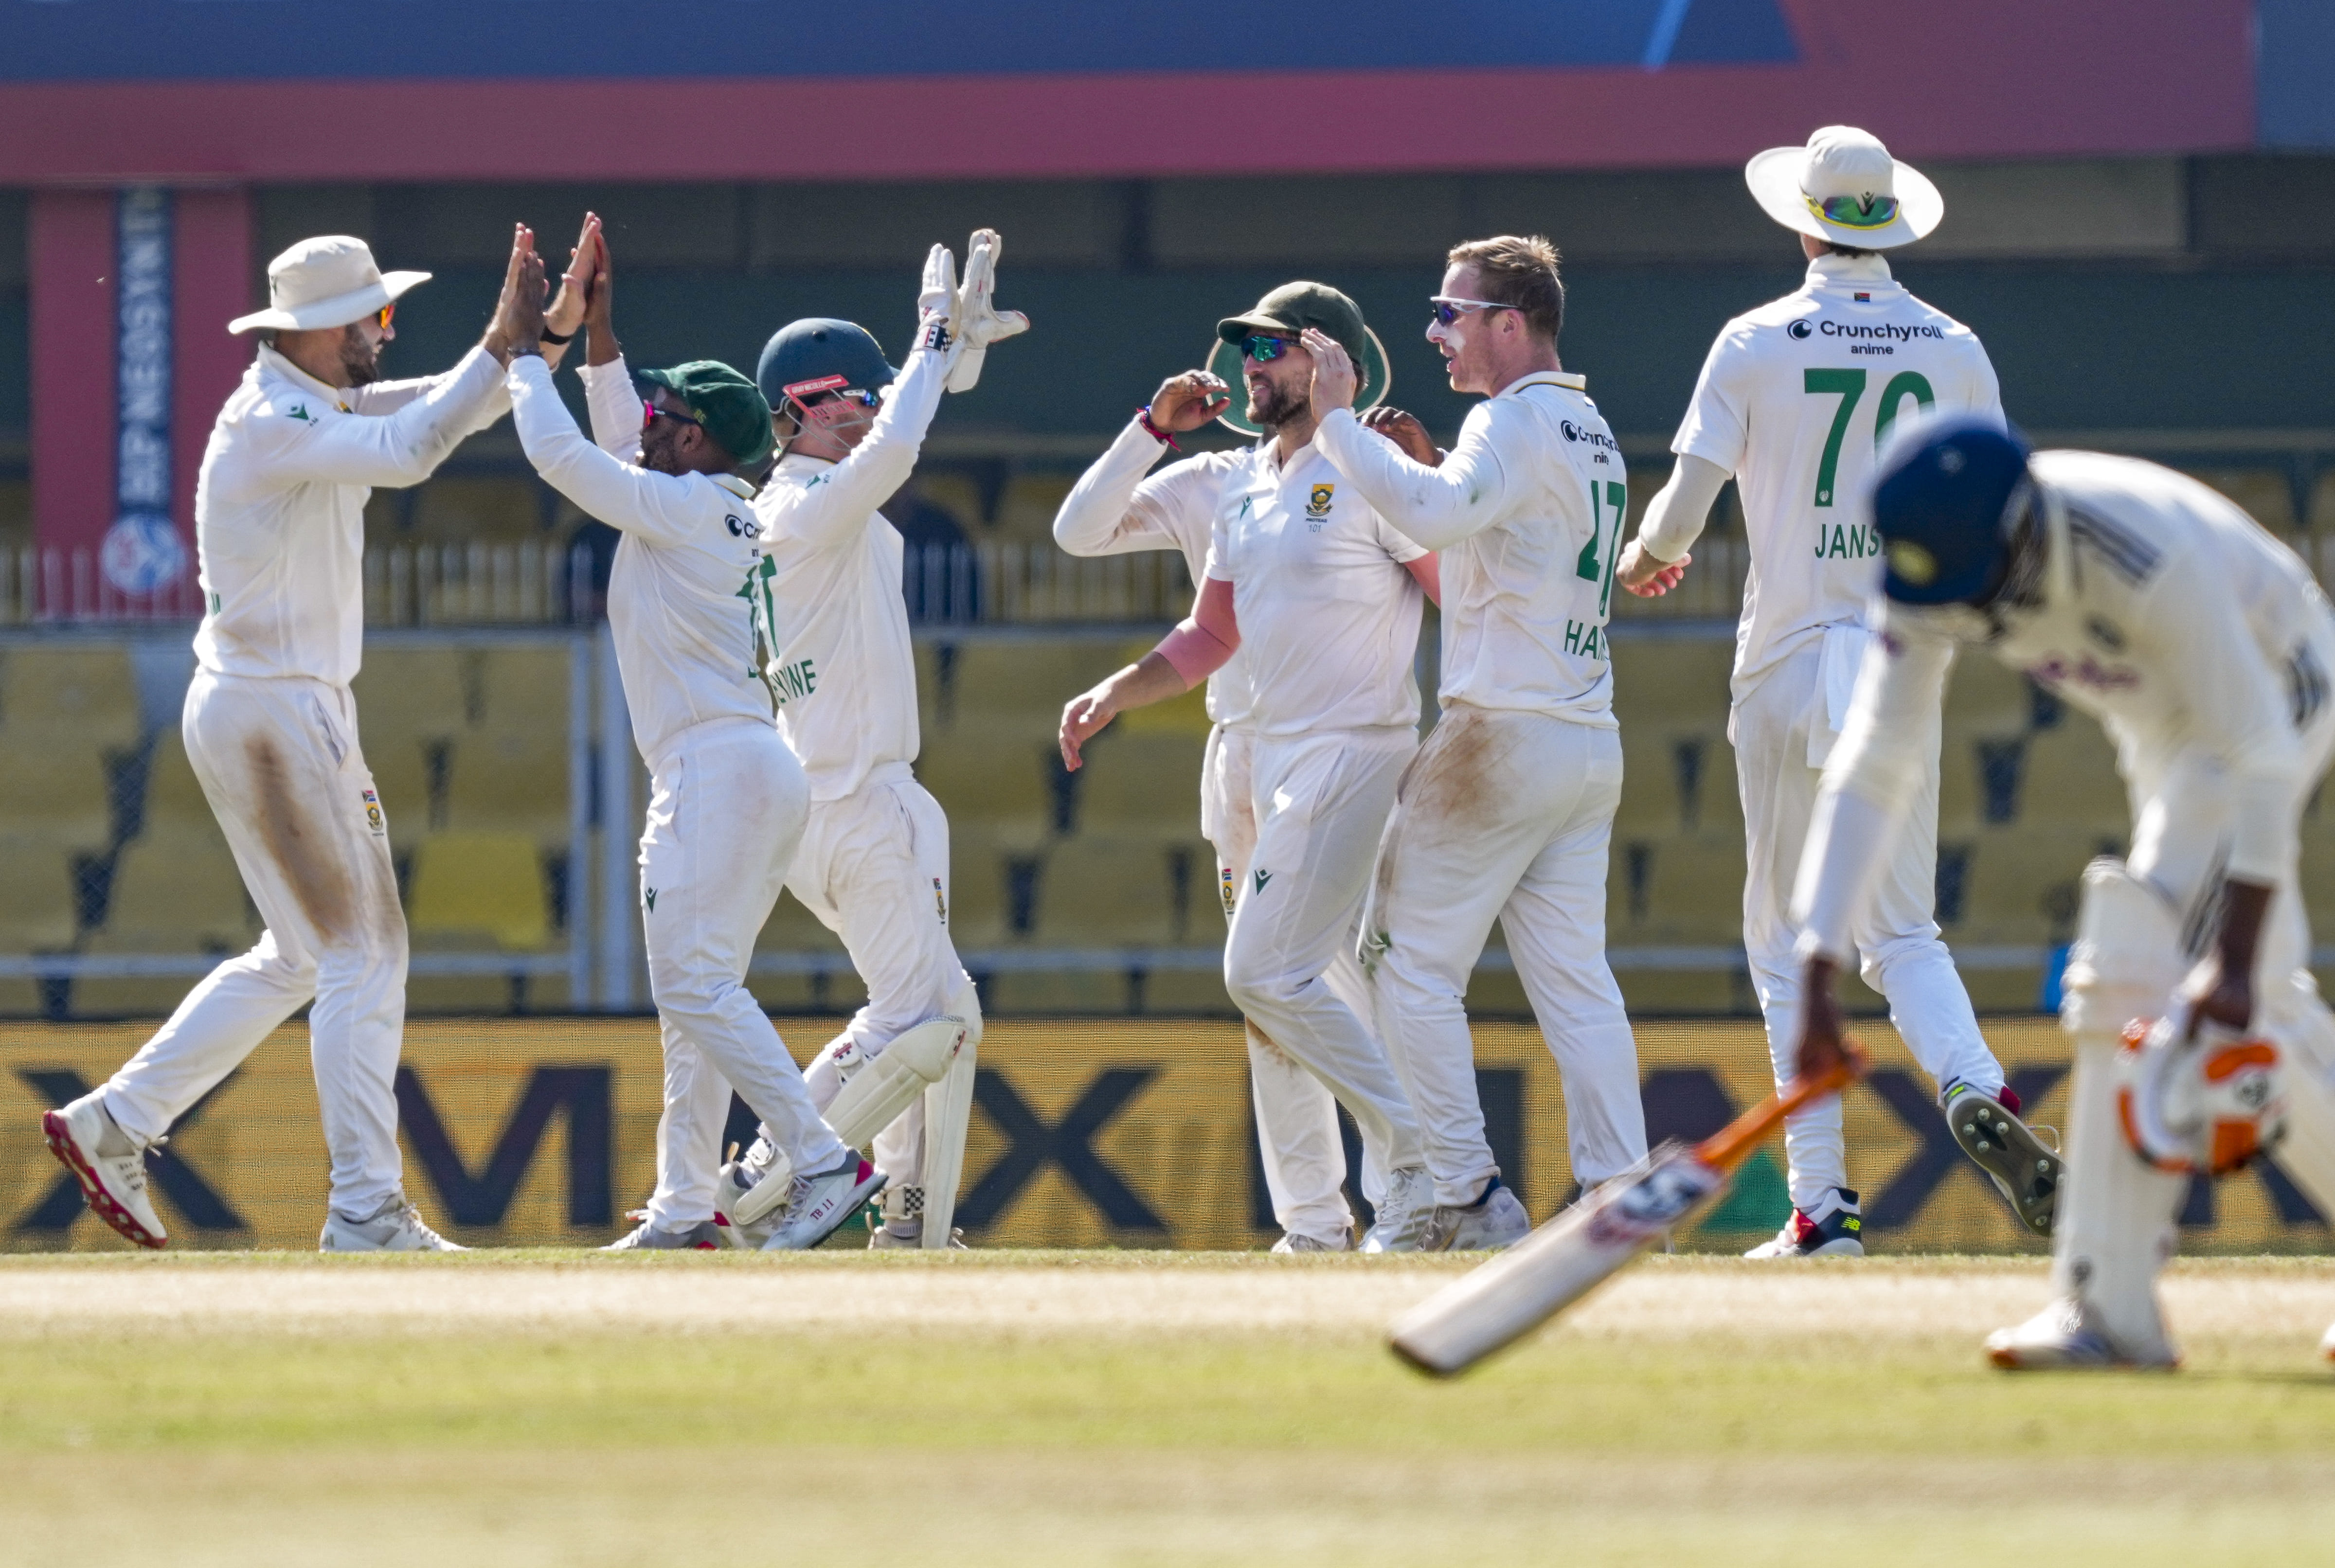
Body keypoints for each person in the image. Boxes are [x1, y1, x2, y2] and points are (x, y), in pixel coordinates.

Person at [39, 225, 584, 1252]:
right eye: (375, 317)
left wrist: (537, 339)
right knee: (364, 957)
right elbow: (415, 449)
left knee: (300, 956)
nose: (386, 329)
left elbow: (436, 410)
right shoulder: (274, 420)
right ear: (323, 330)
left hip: (266, 704)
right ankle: (366, 1210)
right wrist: (503, 339)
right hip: (279, 712)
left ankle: (116, 1121)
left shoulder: (307, 402)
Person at [1793, 418, 2335, 1367]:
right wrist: (1815, 969)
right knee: (2257, 1016)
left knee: (2133, 961)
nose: (1962, 615)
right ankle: (2107, 1308)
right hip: (2159, 723)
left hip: (2279, 687)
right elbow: (1871, 769)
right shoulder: (1937, 568)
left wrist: (2235, 959)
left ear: (2019, 531)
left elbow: (2255, 750)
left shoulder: (2133, 549)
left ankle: (2107, 1308)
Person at [1614, 125, 2054, 1257]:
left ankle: (1824, 1209)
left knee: (1783, 940)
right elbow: (2010, 511)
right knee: (1903, 932)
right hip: (1898, 658)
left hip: (1786, 654)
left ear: (1804, 221)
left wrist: (1646, 557)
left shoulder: (1754, 340)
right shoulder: (1953, 344)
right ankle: (1982, 1089)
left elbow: (1682, 512)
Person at [499, 220, 880, 1252]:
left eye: (666, 419)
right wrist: (600, 336)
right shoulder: (707, 500)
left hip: (717, 770)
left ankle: (825, 1160)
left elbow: (559, 451)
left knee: (694, 986)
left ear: (698, 442)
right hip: (747, 767)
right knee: (697, 1000)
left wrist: (522, 352)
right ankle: (683, 1209)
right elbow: (623, 428)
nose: (647, 428)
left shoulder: (675, 509)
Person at [656, 235, 1021, 1249]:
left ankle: (911, 1223)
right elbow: (896, 446)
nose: (859, 408)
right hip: (856, 791)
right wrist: (934, 341)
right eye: (837, 397)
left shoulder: (804, 501)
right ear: (789, 411)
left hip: (838, 792)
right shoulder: (807, 505)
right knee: (925, 1020)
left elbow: (895, 429)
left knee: (944, 1013)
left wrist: (942, 360)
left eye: (869, 391)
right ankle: (767, 1180)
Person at [1059, 283, 1439, 1251]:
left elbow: (1462, 591)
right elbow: (1118, 563)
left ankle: (1425, 1172)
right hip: (1245, 752)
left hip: (1348, 752)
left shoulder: (1372, 471)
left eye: (1276, 348)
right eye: (1248, 349)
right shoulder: (1234, 483)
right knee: (1278, 993)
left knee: (1306, 979)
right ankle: (1316, 1221)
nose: (1251, 365)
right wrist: (1151, 427)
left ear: (1333, 360)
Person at [1299, 234, 1650, 1250]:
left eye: (1451, 313)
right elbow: (1489, 519)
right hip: (1587, 739)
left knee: (1400, 965)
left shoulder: (1512, 418)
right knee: (1578, 983)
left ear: (1511, 322)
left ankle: (1466, 1193)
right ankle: (1618, 1198)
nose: (1434, 332)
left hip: (1502, 736)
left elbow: (1434, 514)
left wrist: (1334, 424)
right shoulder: (1587, 423)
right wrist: (1424, 460)